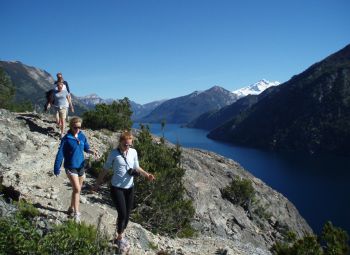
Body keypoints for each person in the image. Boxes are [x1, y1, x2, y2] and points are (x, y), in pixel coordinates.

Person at [92, 131, 155, 252]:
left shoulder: (133, 152)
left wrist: (147, 175)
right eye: (125, 145)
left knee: (127, 214)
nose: (127, 147)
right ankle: (120, 238)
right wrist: (97, 184)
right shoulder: (113, 154)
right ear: (120, 142)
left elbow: (137, 167)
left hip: (130, 187)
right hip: (117, 188)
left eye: (129, 145)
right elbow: (105, 169)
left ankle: (119, 233)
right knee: (122, 213)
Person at [54, 117, 96, 223]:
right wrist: (57, 167)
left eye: (79, 127)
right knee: (77, 189)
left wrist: (92, 151)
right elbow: (60, 154)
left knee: (76, 190)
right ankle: (77, 213)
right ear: (71, 126)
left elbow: (86, 148)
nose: (77, 129)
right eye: (75, 127)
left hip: (81, 166)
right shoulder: (67, 139)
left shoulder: (82, 136)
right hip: (70, 166)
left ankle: (71, 208)